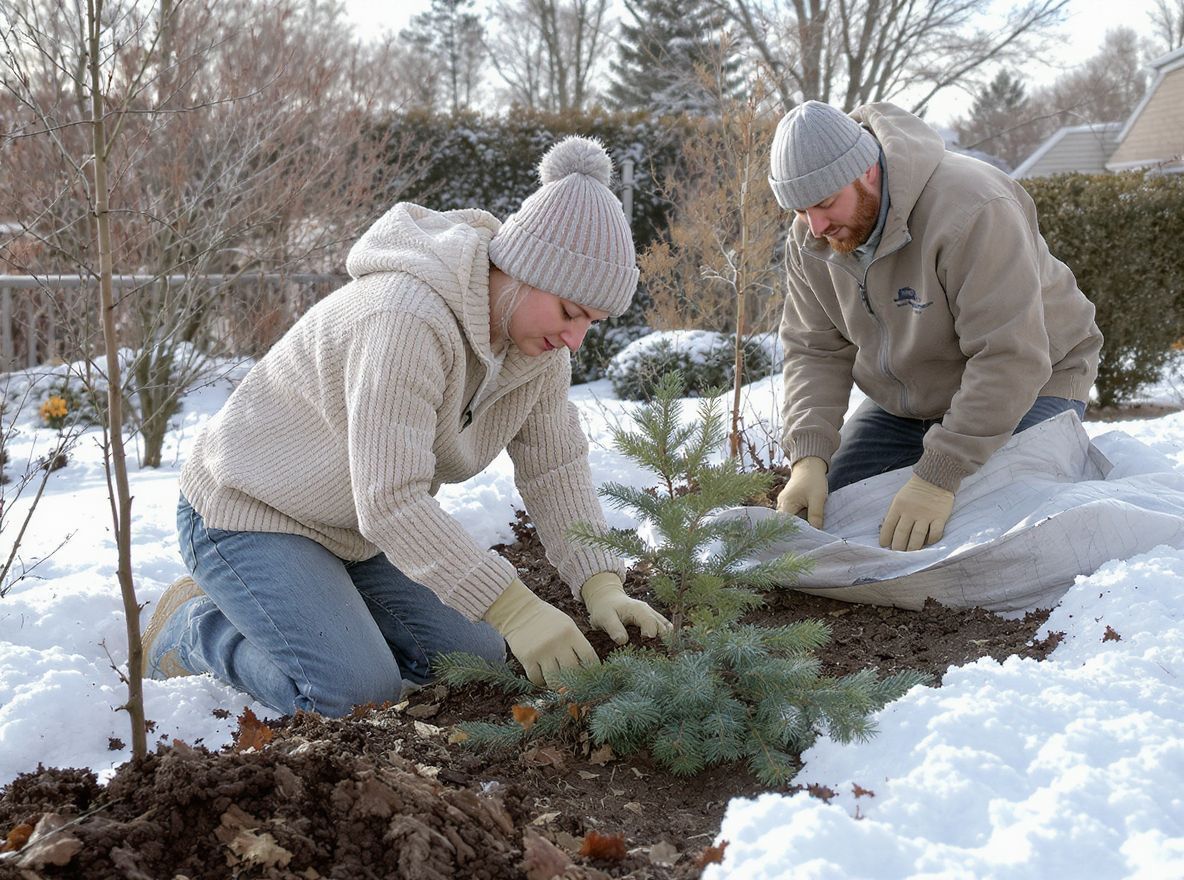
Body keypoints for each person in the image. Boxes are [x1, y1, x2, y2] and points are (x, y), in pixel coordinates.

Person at [141, 136, 670, 716]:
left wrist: (600, 584)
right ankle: (192, 631)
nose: (575, 338)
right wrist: (515, 607)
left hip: (353, 530)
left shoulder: (538, 354)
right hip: (249, 513)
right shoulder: (405, 319)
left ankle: (315, 609)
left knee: (473, 658)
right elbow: (391, 499)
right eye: (570, 312)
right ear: (519, 269)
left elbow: (555, 467)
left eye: (591, 322)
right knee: (354, 693)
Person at [768, 101, 1103, 552]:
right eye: (801, 210)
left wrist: (937, 477)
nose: (816, 225)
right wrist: (808, 457)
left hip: (1037, 377)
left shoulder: (974, 208)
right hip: (911, 395)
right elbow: (815, 349)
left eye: (825, 203)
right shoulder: (811, 235)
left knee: (992, 525)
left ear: (867, 169)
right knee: (840, 514)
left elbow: (1011, 355)